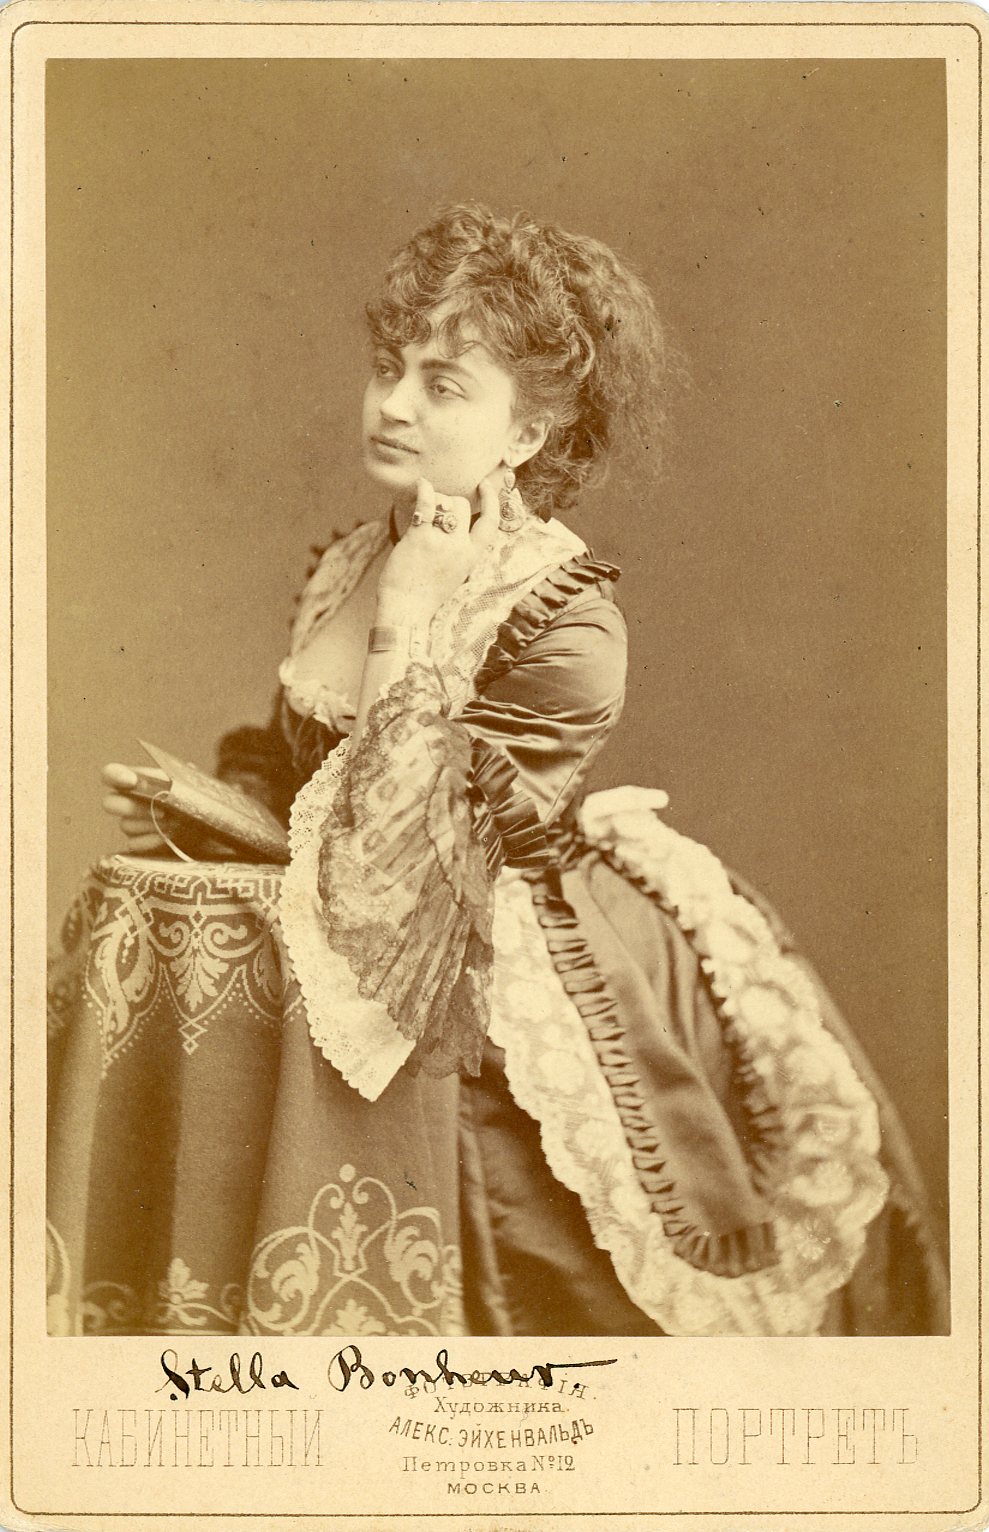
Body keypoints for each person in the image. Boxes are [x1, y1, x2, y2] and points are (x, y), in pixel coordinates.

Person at [92, 203, 946, 1338]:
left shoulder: (563, 618)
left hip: (487, 964)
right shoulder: (350, 558)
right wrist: (206, 812)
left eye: (443, 384)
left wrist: (408, 614)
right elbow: (286, 763)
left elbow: (412, 865)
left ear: (528, 432)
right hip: (346, 938)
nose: (395, 404)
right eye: (389, 367)